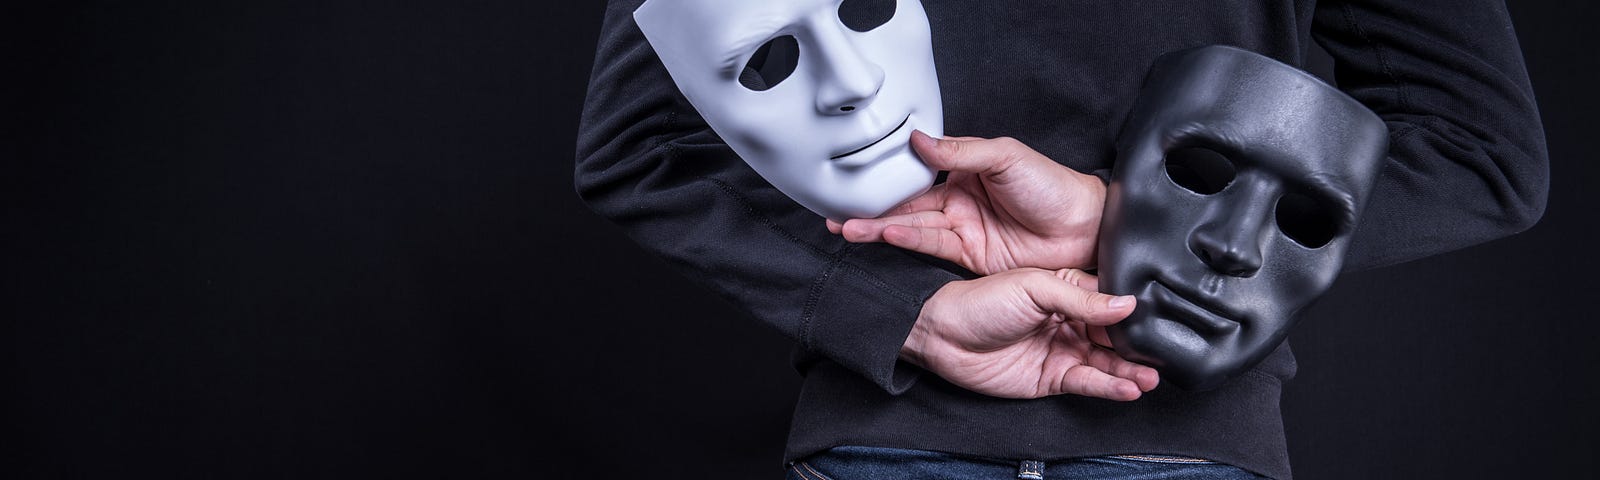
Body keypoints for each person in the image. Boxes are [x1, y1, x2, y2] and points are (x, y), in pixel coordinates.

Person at [574, 0, 1548, 478]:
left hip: (1140, 446)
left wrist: (1125, 219)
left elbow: (1482, 152)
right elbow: (636, 144)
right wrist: (900, 315)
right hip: (912, 441)